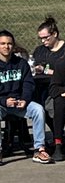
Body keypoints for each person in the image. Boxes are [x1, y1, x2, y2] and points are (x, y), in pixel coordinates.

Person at [0, 30, 53, 164]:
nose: (6, 47)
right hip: (2, 104)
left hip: (20, 103)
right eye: (2, 44)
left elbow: (28, 84)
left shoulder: (21, 63)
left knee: (38, 110)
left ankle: (39, 149)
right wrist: (4, 101)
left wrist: (25, 99)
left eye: (9, 44)